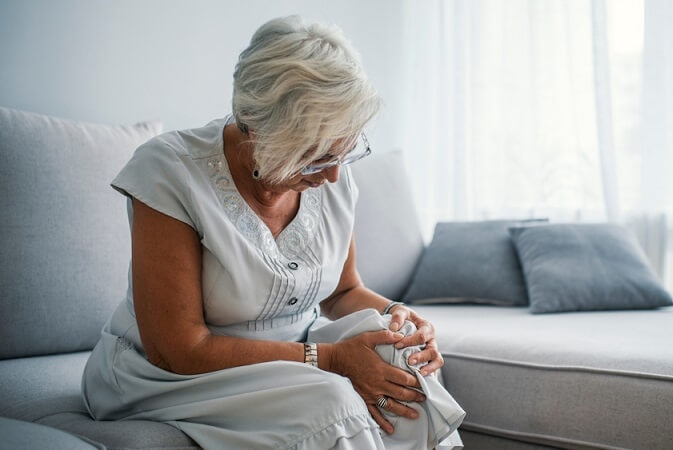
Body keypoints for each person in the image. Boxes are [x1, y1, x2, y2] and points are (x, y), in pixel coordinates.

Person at [81, 15, 464, 450]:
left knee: (401, 367)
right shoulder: (169, 171)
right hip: (167, 374)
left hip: (294, 357)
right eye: (316, 157)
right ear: (258, 130)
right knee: (331, 400)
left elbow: (342, 292)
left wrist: (402, 317)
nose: (335, 175)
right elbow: (178, 348)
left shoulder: (331, 174)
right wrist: (331, 360)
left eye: (345, 149)